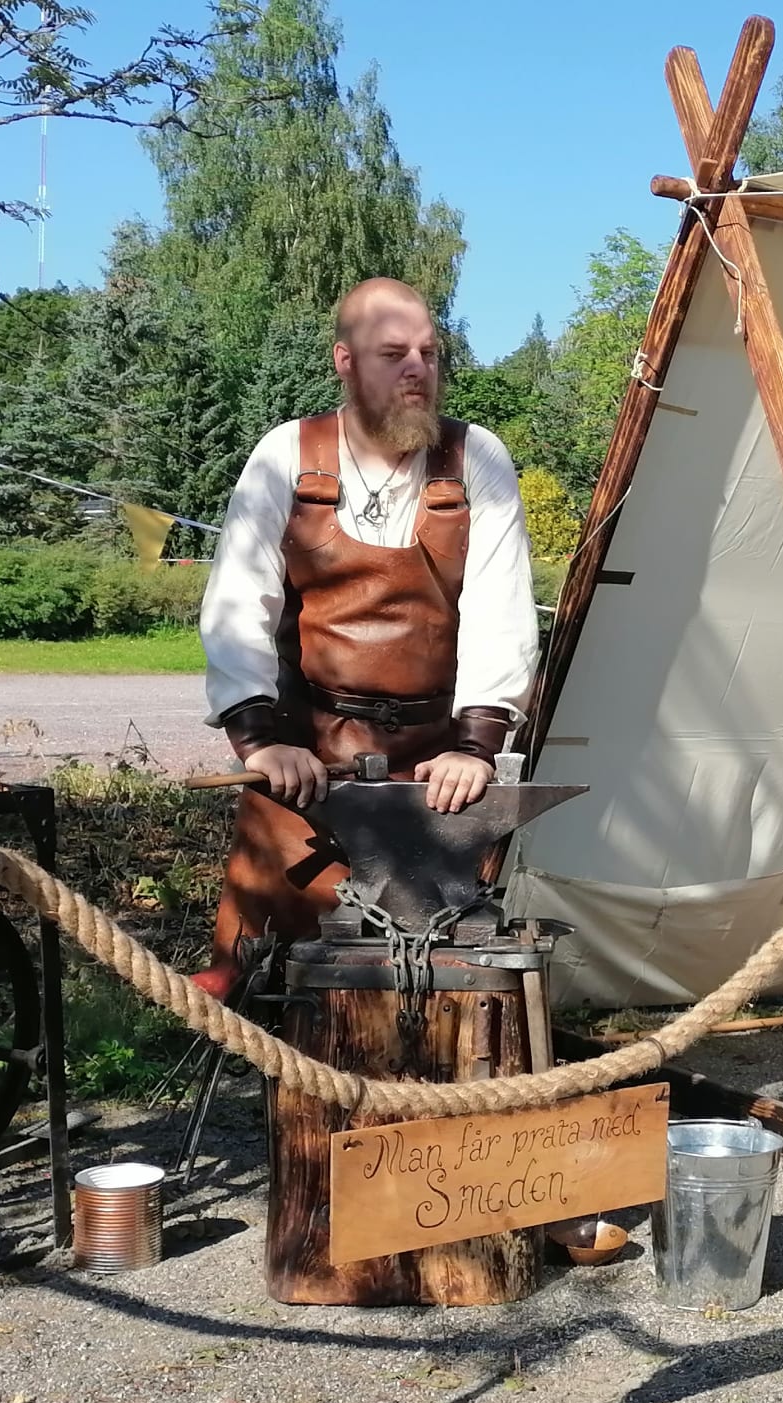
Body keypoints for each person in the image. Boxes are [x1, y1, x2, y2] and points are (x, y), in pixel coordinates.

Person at [192, 278, 538, 1000]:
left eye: (429, 353)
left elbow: (501, 609)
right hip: (303, 768)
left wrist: (475, 747)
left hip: (435, 774)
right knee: (264, 995)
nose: (418, 369)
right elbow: (236, 602)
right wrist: (261, 742)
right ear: (345, 361)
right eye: (393, 354)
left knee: (434, 989)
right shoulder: (287, 453)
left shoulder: (477, 459)